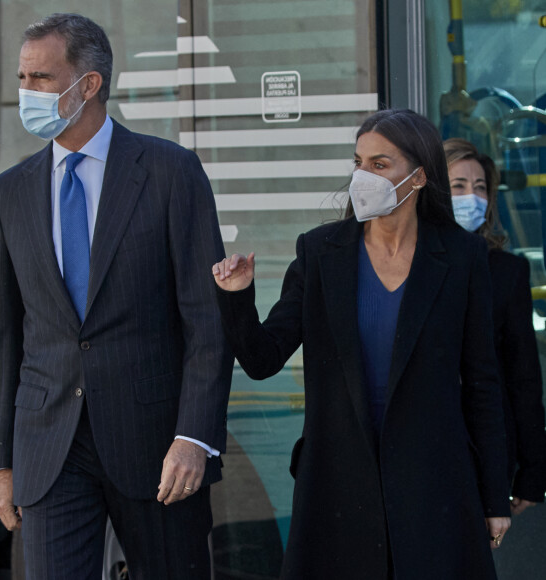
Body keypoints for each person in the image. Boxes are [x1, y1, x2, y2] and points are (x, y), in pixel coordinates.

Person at [0, 13, 232, 580]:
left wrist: (194, 437)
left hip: (159, 446)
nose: (26, 92)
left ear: (88, 84)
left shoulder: (171, 173)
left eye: (40, 78)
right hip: (49, 448)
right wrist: (0, 465)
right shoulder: (7, 193)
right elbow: (1, 333)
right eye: (21, 77)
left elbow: (206, 322)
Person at [212, 109, 511, 580]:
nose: (361, 176)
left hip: (436, 487)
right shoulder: (320, 253)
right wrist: (236, 298)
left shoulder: (461, 257)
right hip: (336, 485)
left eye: (379, 164)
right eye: (358, 162)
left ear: (418, 177)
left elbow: (482, 386)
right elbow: (262, 358)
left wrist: (495, 498)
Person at [445, 137, 546, 515]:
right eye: (458, 186)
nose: (472, 197)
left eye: (481, 187)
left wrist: (534, 469)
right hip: (418, 448)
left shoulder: (507, 271)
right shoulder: (407, 263)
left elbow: (523, 376)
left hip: (485, 447)